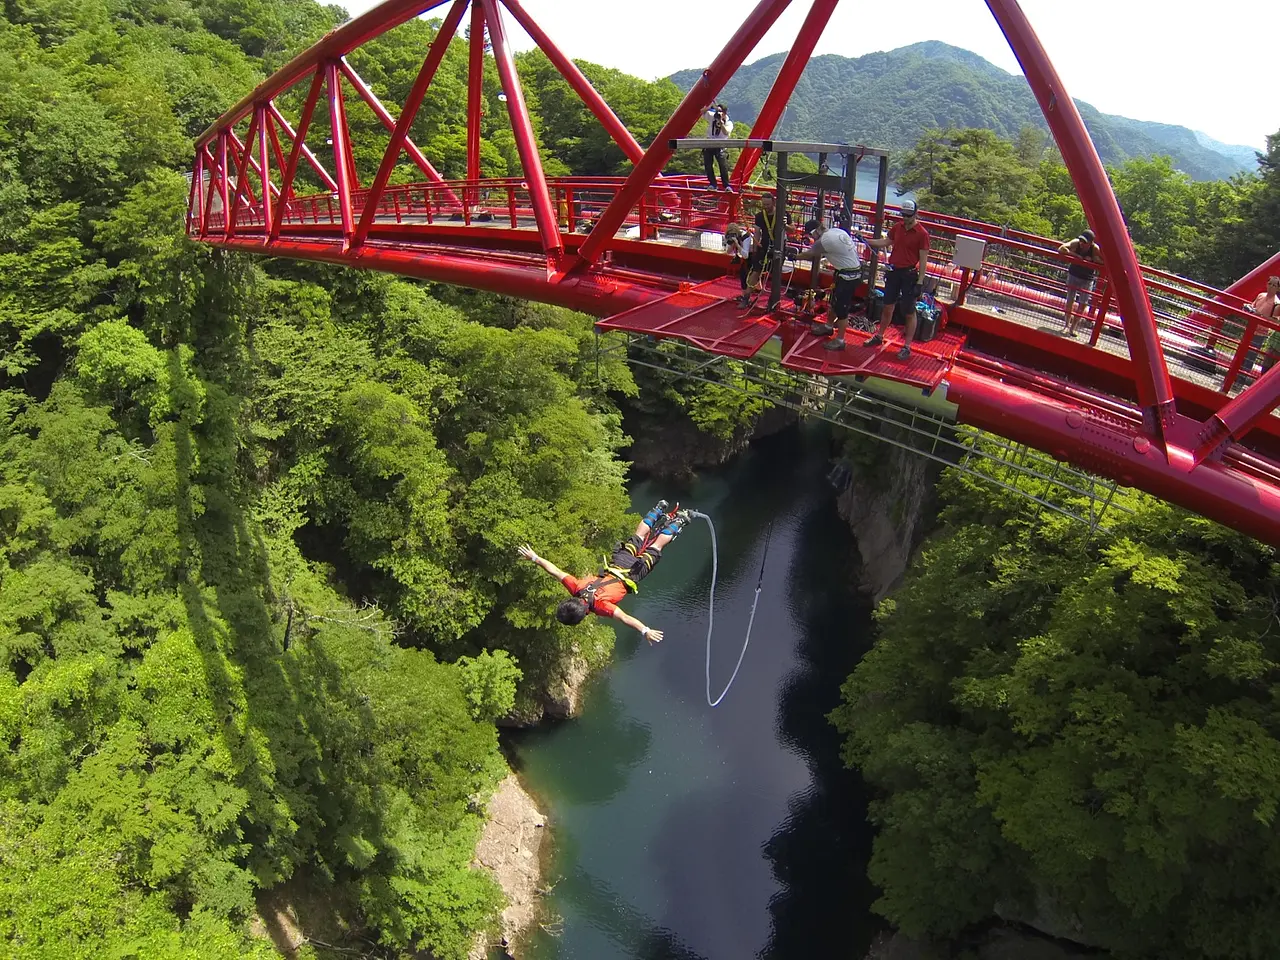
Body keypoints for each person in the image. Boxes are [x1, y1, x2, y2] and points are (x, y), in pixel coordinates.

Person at [517, 500, 691, 644]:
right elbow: (555, 571)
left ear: (584, 615)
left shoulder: (601, 607)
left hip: (632, 573)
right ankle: (658, 509)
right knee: (637, 536)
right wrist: (535, 558)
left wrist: (645, 630)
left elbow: (624, 618)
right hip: (619, 562)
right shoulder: (576, 587)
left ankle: (679, 521)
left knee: (656, 546)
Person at [860, 199, 930, 360]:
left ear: (915, 214)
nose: (905, 218)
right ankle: (879, 335)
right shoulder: (898, 227)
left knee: (909, 311)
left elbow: (923, 259)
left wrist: (920, 282)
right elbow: (887, 241)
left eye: (908, 215)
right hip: (894, 272)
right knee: (887, 306)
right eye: (903, 215)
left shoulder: (922, 234)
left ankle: (907, 346)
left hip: (909, 274)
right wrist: (867, 240)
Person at [800, 217, 863, 351]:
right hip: (847, 272)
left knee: (841, 308)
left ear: (816, 231)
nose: (812, 237)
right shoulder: (836, 231)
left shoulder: (826, 239)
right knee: (834, 301)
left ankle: (840, 340)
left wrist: (792, 256)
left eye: (811, 234)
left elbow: (810, 253)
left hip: (848, 276)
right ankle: (828, 326)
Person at [739, 192, 785, 307]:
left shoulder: (782, 214)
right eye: (764, 204)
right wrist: (755, 250)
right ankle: (746, 297)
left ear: (773, 203)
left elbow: (792, 230)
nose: (766, 206)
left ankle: (773, 300)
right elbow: (758, 234)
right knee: (755, 271)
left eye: (768, 204)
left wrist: (785, 225)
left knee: (776, 273)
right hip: (763, 245)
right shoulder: (759, 216)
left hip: (779, 245)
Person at [1058, 228, 1103, 337]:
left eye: (1085, 242)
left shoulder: (1094, 249)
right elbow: (1061, 248)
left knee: (1082, 304)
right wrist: (1076, 256)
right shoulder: (1076, 243)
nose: (1082, 244)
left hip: (1087, 279)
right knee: (1070, 300)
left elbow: (1104, 261)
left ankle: (1073, 328)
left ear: (1091, 242)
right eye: (1081, 241)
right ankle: (1066, 325)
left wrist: (1093, 260)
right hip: (1074, 274)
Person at [1245, 275, 1280, 373]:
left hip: (1261, 333)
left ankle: (1240, 380)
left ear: (1278, 288)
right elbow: (1253, 306)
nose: (1271, 287)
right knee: (1242, 354)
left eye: (1274, 285)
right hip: (1249, 329)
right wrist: (1248, 308)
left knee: (1250, 357)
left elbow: (1276, 321)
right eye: (1269, 284)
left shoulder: (1277, 303)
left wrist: (1260, 315)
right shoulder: (1261, 295)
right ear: (1266, 284)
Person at [702, 104, 733, 192]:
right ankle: (712, 184)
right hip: (709, 143)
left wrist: (721, 123)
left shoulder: (728, 123)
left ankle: (726, 185)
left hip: (720, 145)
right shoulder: (712, 117)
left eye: (720, 112)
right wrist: (710, 107)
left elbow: (726, 132)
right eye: (717, 111)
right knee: (708, 165)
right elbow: (702, 112)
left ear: (724, 113)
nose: (718, 113)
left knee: (723, 165)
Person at [725, 223, 753, 297]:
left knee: (747, 274)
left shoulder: (745, 236)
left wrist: (737, 244)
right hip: (744, 256)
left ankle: (746, 296)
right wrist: (732, 244)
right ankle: (746, 295)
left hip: (753, 254)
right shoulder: (730, 236)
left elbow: (745, 255)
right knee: (744, 274)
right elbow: (728, 252)